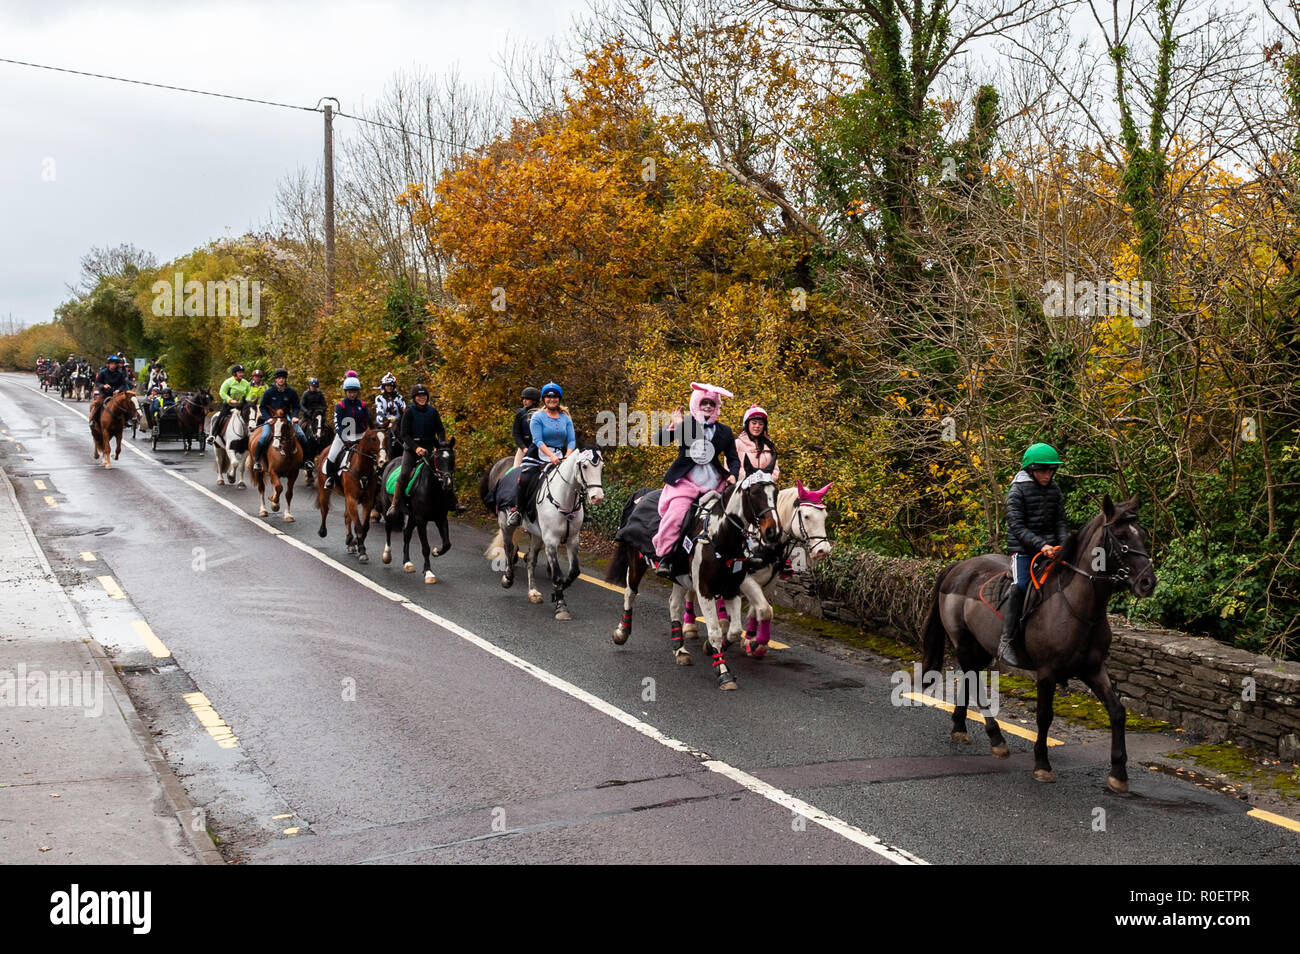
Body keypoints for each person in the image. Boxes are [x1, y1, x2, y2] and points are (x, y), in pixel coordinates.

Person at [649, 382, 740, 576]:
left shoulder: (725, 431)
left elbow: (733, 458)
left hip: (714, 483)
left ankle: (730, 559)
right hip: (686, 483)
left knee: (734, 516)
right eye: (704, 402)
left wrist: (733, 473)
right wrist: (674, 426)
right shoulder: (687, 423)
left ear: (717, 407)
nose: (708, 406)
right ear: (697, 403)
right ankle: (664, 556)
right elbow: (660, 441)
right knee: (677, 515)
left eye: (712, 404)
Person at [998, 442, 1069, 667]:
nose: (1047, 475)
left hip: (1051, 549)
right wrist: (1041, 545)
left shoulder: (1054, 489)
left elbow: (1059, 521)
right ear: (1031, 470)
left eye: (1050, 470)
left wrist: (1064, 543)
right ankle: (1006, 640)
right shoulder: (1016, 492)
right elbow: (1017, 527)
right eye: (1042, 470)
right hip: (1024, 552)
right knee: (1020, 587)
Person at [506, 382, 575, 527]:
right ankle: (517, 511)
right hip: (538, 454)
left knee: (575, 479)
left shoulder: (566, 418)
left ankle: (580, 512)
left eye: (555, 397)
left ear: (559, 399)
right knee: (524, 478)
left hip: (561, 454)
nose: (552, 399)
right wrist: (551, 456)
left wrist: (568, 455)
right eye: (548, 397)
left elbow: (571, 440)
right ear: (544, 399)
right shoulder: (537, 416)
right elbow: (537, 440)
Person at [385, 384, 446, 519]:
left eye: (424, 396)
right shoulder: (409, 412)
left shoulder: (433, 411)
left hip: (430, 448)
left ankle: (452, 502)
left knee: (445, 470)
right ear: (414, 398)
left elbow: (440, 430)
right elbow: (404, 434)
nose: (422, 398)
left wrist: (441, 443)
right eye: (419, 396)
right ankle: (394, 504)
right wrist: (416, 448)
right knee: (404, 474)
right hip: (412, 450)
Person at [252, 369, 307, 473]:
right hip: (272, 419)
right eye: (279, 378)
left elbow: (296, 406)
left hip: (287, 419)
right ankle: (257, 461)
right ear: (275, 380)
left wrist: (295, 416)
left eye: (283, 378)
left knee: (301, 435)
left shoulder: (291, 392)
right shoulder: (269, 392)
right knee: (263, 437)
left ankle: (306, 461)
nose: (281, 380)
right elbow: (263, 407)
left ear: (285, 379)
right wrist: (268, 418)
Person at [322, 375, 369, 490]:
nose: (352, 394)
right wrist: (344, 439)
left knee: (372, 455)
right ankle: (330, 478)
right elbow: (337, 424)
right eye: (349, 392)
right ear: (345, 392)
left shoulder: (362, 405)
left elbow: (367, 421)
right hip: (344, 436)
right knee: (332, 455)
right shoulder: (340, 405)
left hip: (360, 435)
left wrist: (365, 435)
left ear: (357, 392)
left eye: (354, 391)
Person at [735, 405, 780, 481]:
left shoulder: (769, 445)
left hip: (766, 486)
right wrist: (753, 479)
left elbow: (775, 470)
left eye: (761, 424)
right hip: (743, 486)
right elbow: (731, 467)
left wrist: (764, 479)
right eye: (754, 423)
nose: (757, 426)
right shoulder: (737, 443)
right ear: (747, 424)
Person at [210, 364, 252, 442]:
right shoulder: (228, 382)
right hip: (229, 405)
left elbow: (249, 392)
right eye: (239, 372)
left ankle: (250, 436)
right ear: (234, 373)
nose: (241, 374)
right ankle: (213, 436)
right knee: (220, 417)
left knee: (251, 417)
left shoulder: (246, 383)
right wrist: (230, 400)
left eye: (242, 372)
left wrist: (247, 400)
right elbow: (222, 392)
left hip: (241, 406)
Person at [88, 355, 131, 421]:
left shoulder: (120, 373)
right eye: (112, 363)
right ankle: (93, 419)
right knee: (98, 403)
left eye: (115, 364)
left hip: (117, 394)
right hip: (105, 393)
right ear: (108, 364)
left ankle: (127, 420)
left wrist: (118, 390)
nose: (113, 365)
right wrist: (103, 386)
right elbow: (98, 382)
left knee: (126, 403)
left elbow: (123, 384)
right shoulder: (103, 372)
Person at [512, 386, 541, 469]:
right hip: (524, 447)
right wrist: (523, 448)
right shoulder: (520, 414)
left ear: (534, 400)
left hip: (540, 448)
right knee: (516, 469)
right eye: (523, 398)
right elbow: (516, 434)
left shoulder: (542, 413)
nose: (524, 401)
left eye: (527, 399)